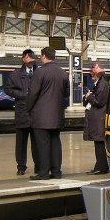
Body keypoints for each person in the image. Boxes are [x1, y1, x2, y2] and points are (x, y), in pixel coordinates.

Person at [25, 46, 70, 180]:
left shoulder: (40, 72)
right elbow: (66, 94)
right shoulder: (63, 73)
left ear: (44, 56)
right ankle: (56, 172)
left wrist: (28, 108)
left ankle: (43, 173)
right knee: (55, 143)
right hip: (57, 115)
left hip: (41, 116)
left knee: (42, 145)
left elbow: (33, 93)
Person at [3, 48, 37, 176]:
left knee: (37, 142)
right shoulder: (16, 74)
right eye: (27, 57)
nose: (30, 59)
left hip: (36, 114)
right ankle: (21, 166)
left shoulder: (38, 73)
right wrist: (22, 95)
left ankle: (38, 165)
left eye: (31, 57)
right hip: (22, 112)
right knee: (21, 143)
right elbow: (7, 89)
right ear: (23, 58)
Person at [83, 61, 109, 174]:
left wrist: (89, 96)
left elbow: (99, 102)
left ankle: (101, 167)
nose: (91, 76)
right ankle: (100, 166)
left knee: (99, 144)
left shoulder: (102, 84)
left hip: (99, 118)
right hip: (97, 118)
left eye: (92, 74)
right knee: (98, 143)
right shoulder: (99, 84)